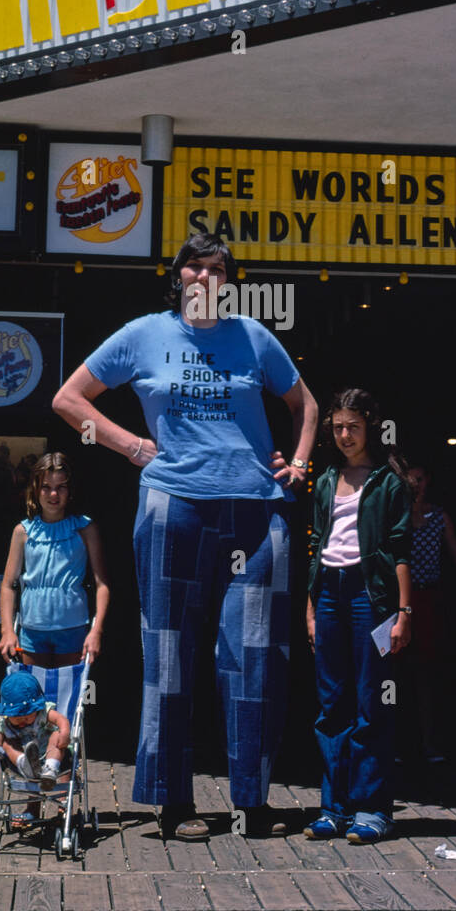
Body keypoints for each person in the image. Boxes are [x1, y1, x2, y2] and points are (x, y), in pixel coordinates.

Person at [53, 232, 318, 840]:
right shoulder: (143, 334)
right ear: (177, 278)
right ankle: (173, 805)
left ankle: (252, 802)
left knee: (254, 658)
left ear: (228, 281)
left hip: (256, 511)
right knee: (170, 652)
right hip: (172, 507)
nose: (204, 276)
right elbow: (69, 400)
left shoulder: (253, 337)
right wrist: (133, 447)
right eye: (193, 267)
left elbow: (305, 404)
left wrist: (300, 465)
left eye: (216, 268)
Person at [304, 388, 412, 844]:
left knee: (372, 702)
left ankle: (373, 809)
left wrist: (404, 611)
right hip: (329, 591)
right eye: (338, 426)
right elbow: (315, 546)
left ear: (370, 426)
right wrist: (309, 607)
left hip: (372, 597)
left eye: (354, 426)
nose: (345, 435)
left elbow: (400, 549)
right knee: (332, 705)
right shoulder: (327, 478)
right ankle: (334, 808)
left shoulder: (388, 482)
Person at [0, 452, 110, 669]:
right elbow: (8, 585)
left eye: (61, 487)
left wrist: (97, 631)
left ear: (70, 491)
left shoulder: (85, 529)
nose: (53, 494)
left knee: (68, 697)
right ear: (35, 489)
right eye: (46, 486)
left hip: (73, 628)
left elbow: (102, 585)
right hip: (32, 630)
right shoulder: (23, 531)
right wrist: (7, 631)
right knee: (34, 697)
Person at [402, 462, 456, 761]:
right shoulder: (393, 515)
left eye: (420, 480)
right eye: (411, 481)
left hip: (428, 599)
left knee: (425, 673)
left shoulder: (438, 517)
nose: (417, 486)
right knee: (392, 674)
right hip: (399, 602)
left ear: (428, 481)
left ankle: (427, 743)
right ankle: (395, 743)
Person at [0, 671, 71, 826]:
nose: (22, 722)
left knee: (55, 736)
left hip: (52, 756)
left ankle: (52, 776)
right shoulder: (3, 722)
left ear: (36, 709)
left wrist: (65, 732)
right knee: (6, 743)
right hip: (22, 761)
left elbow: (61, 719)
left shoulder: (43, 712)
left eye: (27, 717)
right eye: (17, 718)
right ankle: (26, 765)